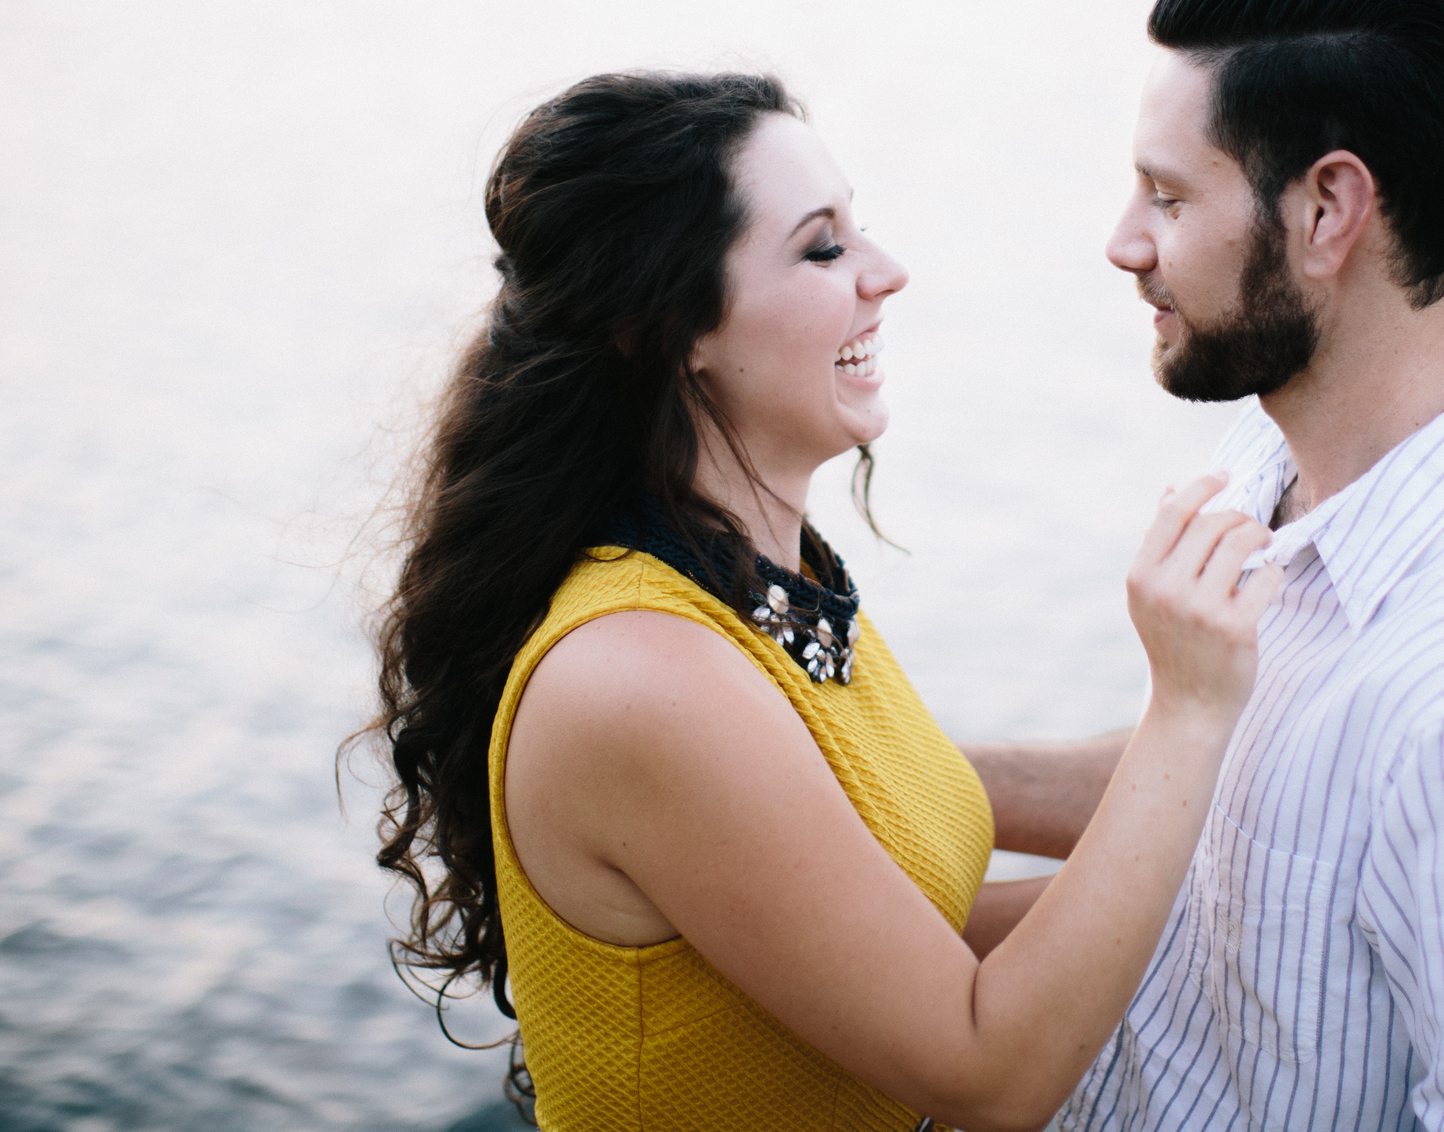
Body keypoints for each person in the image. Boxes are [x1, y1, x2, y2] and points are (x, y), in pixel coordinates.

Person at [362, 70, 1288, 1132]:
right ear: (673, 329)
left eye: (862, 230)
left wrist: (1256, 833)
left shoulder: (764, 579)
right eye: (822, 246)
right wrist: (1187, 706)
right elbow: (989, 1072)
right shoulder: (637, 673)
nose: (885, 274)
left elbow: (906, 931)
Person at [998, 0, 1444, 1129]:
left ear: (1326, 211)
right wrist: (869, 791)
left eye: (1167, 194)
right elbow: (1215, 789)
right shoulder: (1279, 453)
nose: (1124, 240)